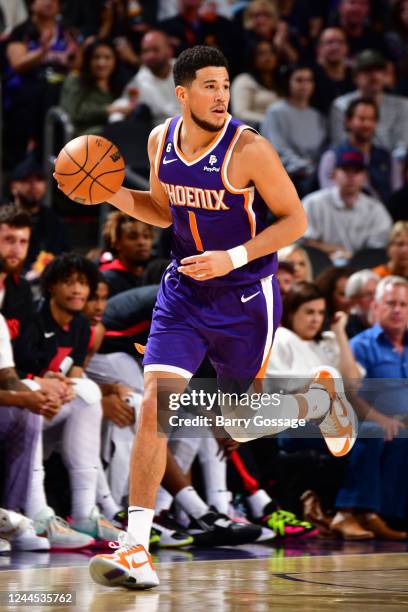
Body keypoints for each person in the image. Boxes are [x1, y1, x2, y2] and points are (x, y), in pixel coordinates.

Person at [54, 45, 358, 590]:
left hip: (245, 295)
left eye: (225, 85)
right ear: (183, 93)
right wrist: (111, 191)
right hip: (184, 292)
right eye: (210, 86)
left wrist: (234, 256)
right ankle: (136, 549)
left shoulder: (249, 149)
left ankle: (317, 398)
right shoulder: (159, 140)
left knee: (235, 427)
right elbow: (164, 210)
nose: (221, 96)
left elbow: (295, 221)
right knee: (157, 406)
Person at [333, 276, 408, 540]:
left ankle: (391, 516)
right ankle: (357, 511)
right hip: (368, 420)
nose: (397, 309)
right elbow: (350, 394)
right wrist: (381, 418)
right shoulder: (361, 346)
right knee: (382, 433)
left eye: (403, 304)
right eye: (390, 303)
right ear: (375, 307)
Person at [302, 146, 392, 262]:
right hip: (320, 268)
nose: (351, 176)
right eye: (346, 170)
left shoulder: (376, 209)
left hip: (363, 270)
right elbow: (302, 241)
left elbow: (378, 249)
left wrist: (352, 258)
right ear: (333, 175)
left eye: (357, 171)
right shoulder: (313, 203)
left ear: (365, 177)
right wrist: (330, 249)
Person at [261, 64, 327, 197]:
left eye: (309, 80)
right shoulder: (275, 112)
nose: (305, 85)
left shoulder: (318, 116)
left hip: (315, 174)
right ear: (288, 83)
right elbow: (276, 150)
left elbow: (323, 150)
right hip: (287, 176)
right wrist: (305, 167)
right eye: (299, 80)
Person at [319, 97, 399, 204]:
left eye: (371, 119)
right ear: (348, 121)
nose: (367, 124)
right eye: (361, 119)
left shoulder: (388, 158)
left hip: (385, 216)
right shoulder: (332, 157)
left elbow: (397, 194)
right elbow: (329, 197)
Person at [330, 50, 408, 156]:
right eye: (367, 71)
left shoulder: (402, 105)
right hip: (353, 165)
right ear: (355, 77)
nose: (374, 76)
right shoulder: (341, 105)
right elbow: (340, 144)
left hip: (391, 166)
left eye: (379, 70)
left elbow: (403, 145)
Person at [9, 157, 71, 272]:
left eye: (39, 179)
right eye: (26, 180)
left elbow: (65, 256)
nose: (34, 185)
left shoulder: (55, 221)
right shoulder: (4, 221)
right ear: (13, 187)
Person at [60, 38, 130, 137]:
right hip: (85, 136)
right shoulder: (75, 80)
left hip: (116, 132)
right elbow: (73, 112)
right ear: (88, 61)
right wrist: (108, 110)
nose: (101, 63)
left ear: (115, 61)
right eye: (96, 57)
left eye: (107, 58)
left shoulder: (119, 83)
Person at [109, 30, 180, 126]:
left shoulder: (186, 70)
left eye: (155, 50)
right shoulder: (137, 83)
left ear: (169, 51)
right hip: (165, 135)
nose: (150, 55)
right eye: (145, 51)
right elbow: (126, 103)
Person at [99, 211, 168, 296]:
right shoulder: (108, 279)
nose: (142, 242)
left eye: (146, 236)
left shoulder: (158, 272)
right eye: (132, 237)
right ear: (116, 243)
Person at [230, 40, 281, 127]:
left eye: (271, 52)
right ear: (253, 57)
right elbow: (239, 113)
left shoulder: (281, 83)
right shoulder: (244, 80)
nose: (268, 56)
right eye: (261, 53)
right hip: (254, 134)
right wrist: (270, 121)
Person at [313, 27, 354, 115]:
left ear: (347, 48)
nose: (335, 47)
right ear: (319, 48)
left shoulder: (355, 77)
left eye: (340, 42)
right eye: (329, 42)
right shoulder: (310, 77)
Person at [345, 269, 380, 338]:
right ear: (353, 300)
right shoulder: (346, 329)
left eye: (378, 293)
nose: (375, 299)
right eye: (369, 295)